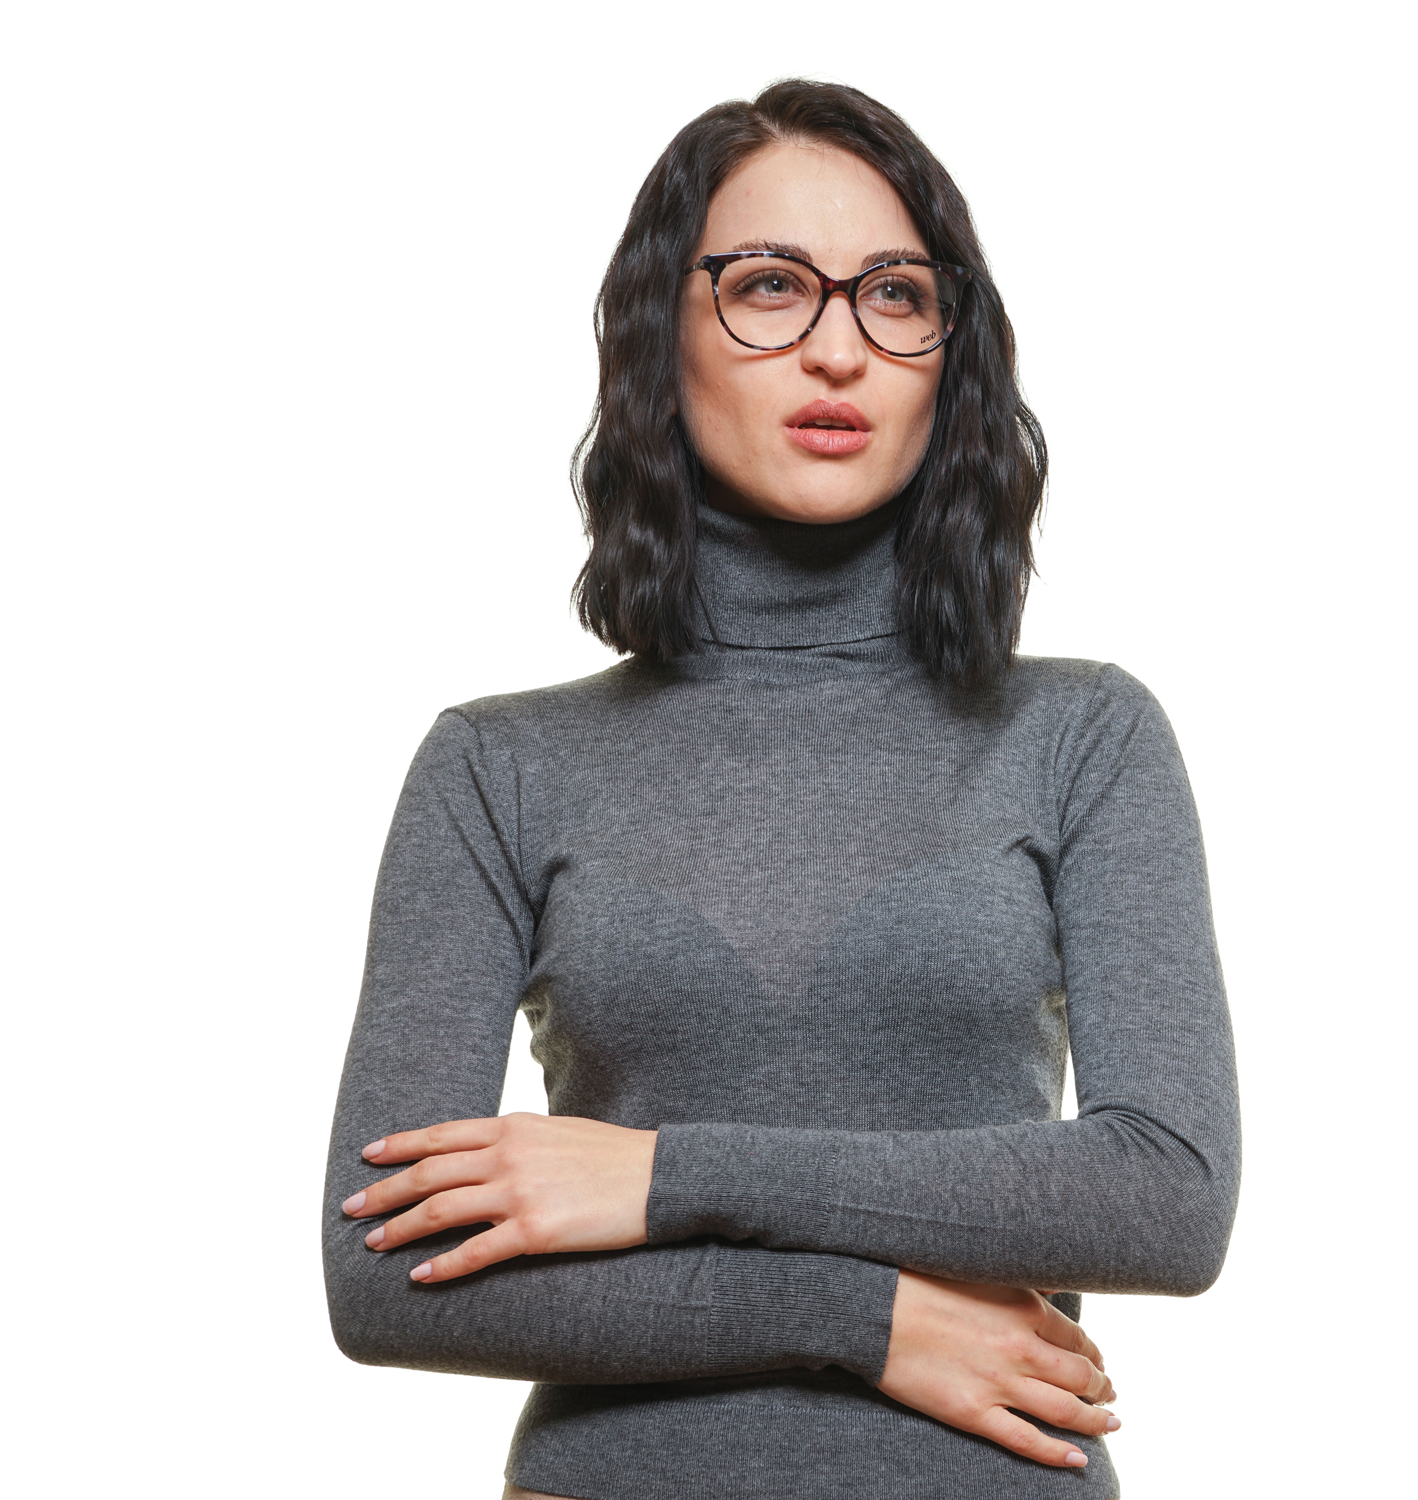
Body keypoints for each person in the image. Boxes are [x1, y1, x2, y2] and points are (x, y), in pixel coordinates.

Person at [322, 79, 1240, 1500]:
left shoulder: (1084, 737)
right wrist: (861, 1320)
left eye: (895, 295)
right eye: (768, 286)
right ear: (659, 335)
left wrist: (661, 1179)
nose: (838, 348)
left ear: (952, 355)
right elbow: (384, 1278)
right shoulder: (497, 767)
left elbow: (1166, 1197)